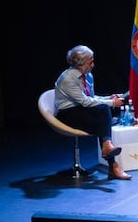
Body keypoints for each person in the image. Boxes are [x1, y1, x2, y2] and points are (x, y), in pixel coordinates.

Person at [53, 44, 132, 180]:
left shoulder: (87, 76)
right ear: (80, 63)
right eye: (91, 61)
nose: (93, 64)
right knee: (103, 116)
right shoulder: (68, 78)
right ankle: (113, 165)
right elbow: (85, 102)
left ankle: (108, 149)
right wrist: (112, 103)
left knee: (103, 116)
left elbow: (91, 98)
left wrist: (109, 97)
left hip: (81, 110)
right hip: (67, 113)